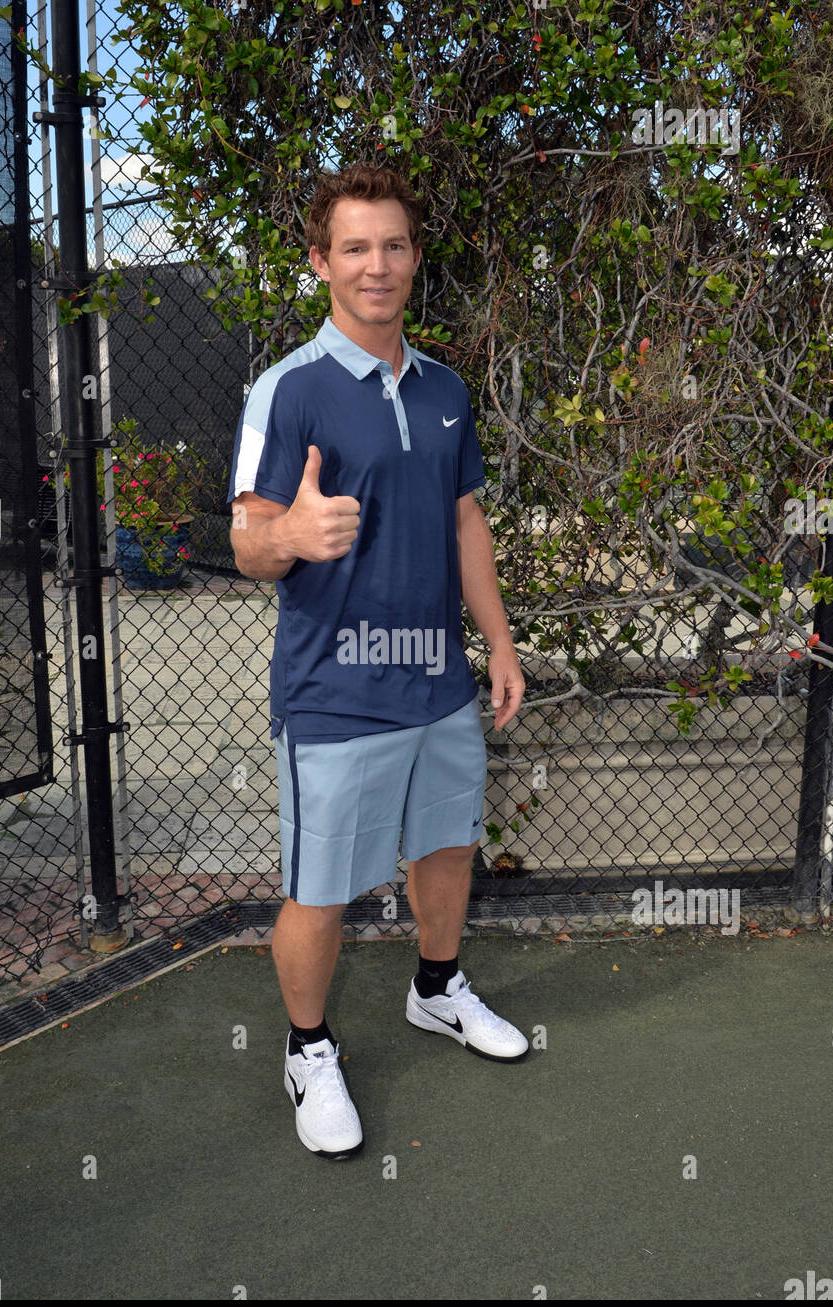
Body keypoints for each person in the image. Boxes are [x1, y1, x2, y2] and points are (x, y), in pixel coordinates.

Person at [227, 163, 528, 1159]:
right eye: (354, 247)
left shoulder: (445, 387)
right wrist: (292, 536)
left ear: (413, 258)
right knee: (321, 888)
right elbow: (245, 539)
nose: (376, 265)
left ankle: (436, 990)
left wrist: (497, 639)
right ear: (320, 262)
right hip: (334, 693)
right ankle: (308, 1050)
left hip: (436, 681)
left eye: (393, 245)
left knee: (445, 849)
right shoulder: (288, 390)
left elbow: (464, 518)